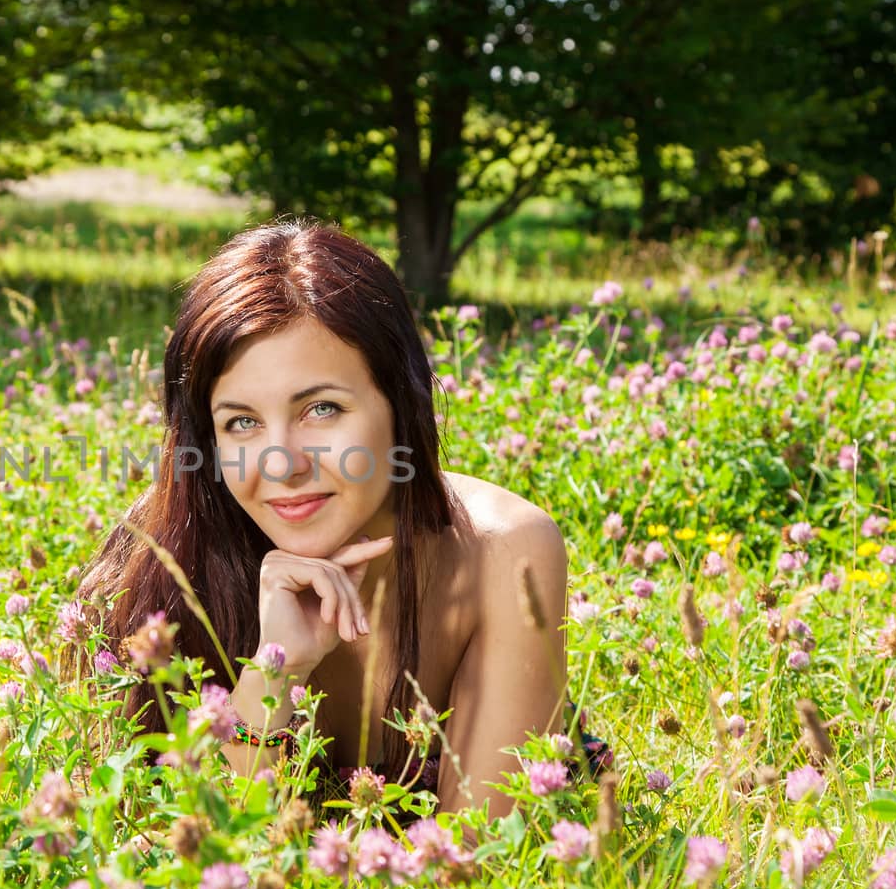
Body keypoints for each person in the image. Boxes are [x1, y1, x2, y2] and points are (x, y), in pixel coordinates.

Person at [74, 219, 610, 817]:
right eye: (241, 422)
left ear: (400, 406)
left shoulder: (505, 555)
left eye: (321, 408)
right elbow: (210, 844)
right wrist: (276, 668)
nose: (281, 465)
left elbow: (480, 858)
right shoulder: (165, 557)